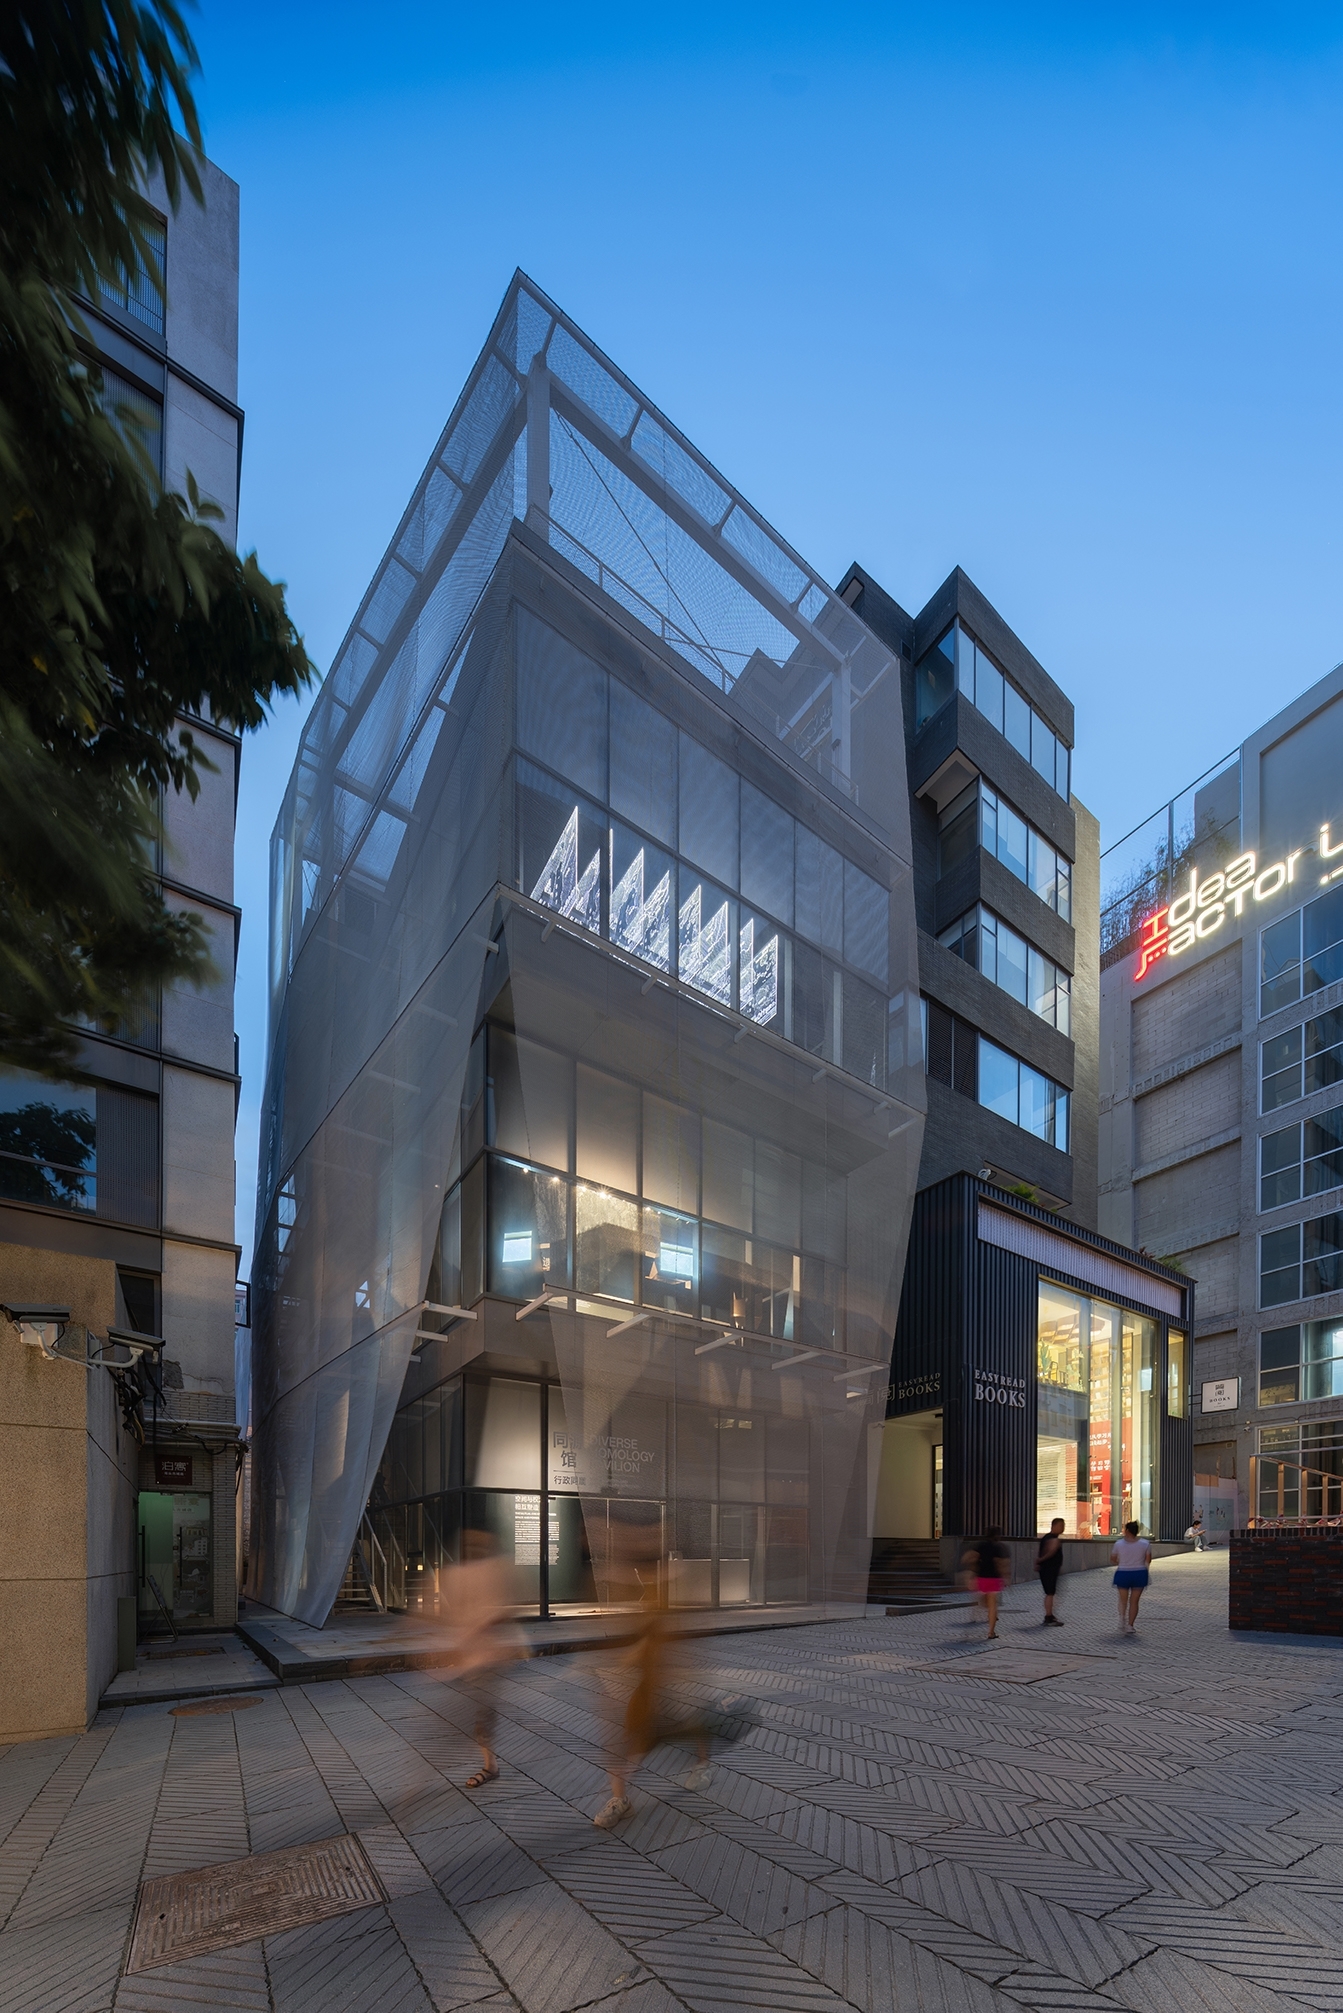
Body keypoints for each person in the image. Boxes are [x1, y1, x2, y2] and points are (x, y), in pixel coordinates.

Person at [449, 1527, 528, 1788]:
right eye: (470, 1544)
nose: (474, 1548)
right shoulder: (464, 1574)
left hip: (490, 1659)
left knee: (481, 1713)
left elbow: (504, 1612)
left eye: (479, 1543)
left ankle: (490, 1765)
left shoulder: (498, 1571)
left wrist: (486, 1624)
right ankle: (489, 1762)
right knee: (475, 1713)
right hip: (473, 1659)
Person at [1110, 1520, 1153, 1633]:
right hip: (1140, 1573)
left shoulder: (1118, 1544)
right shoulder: (1145, 1544)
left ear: (1127, 1531)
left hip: (1123, 1572)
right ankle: (1130, 1625)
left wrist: (1122, 1562)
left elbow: (1113, 1559)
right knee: (1134, 1601)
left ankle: (1122, 1619)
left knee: (1123, 1600)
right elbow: (1148, 1559)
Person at [971, 1526, 1010, 1639]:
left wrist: (973, 1573)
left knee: (987, 1601)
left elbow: (971, 1557)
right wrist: (1005, 1576)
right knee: (993, 1606)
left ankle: (984, 1606)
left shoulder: (981, 1546)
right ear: (997, 1535)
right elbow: (1000, 1563)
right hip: (994, 1578)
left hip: (981, 1577)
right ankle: (991, 1632)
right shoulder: (998, 1547)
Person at [1036, 1518, 1066, 1625]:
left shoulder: (1047, 1537)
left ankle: (1050, 1615)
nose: (1063, 1528)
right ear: (1054, 1526)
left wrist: (1039, 1561)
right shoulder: (1053, 1539)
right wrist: (1040, 1560)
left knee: (1050, 1593)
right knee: (1050, 1593)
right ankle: (1048, 1616)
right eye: (1061, 1526)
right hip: (1049, 1569)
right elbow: (1050, 1551)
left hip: (1047, 1569)